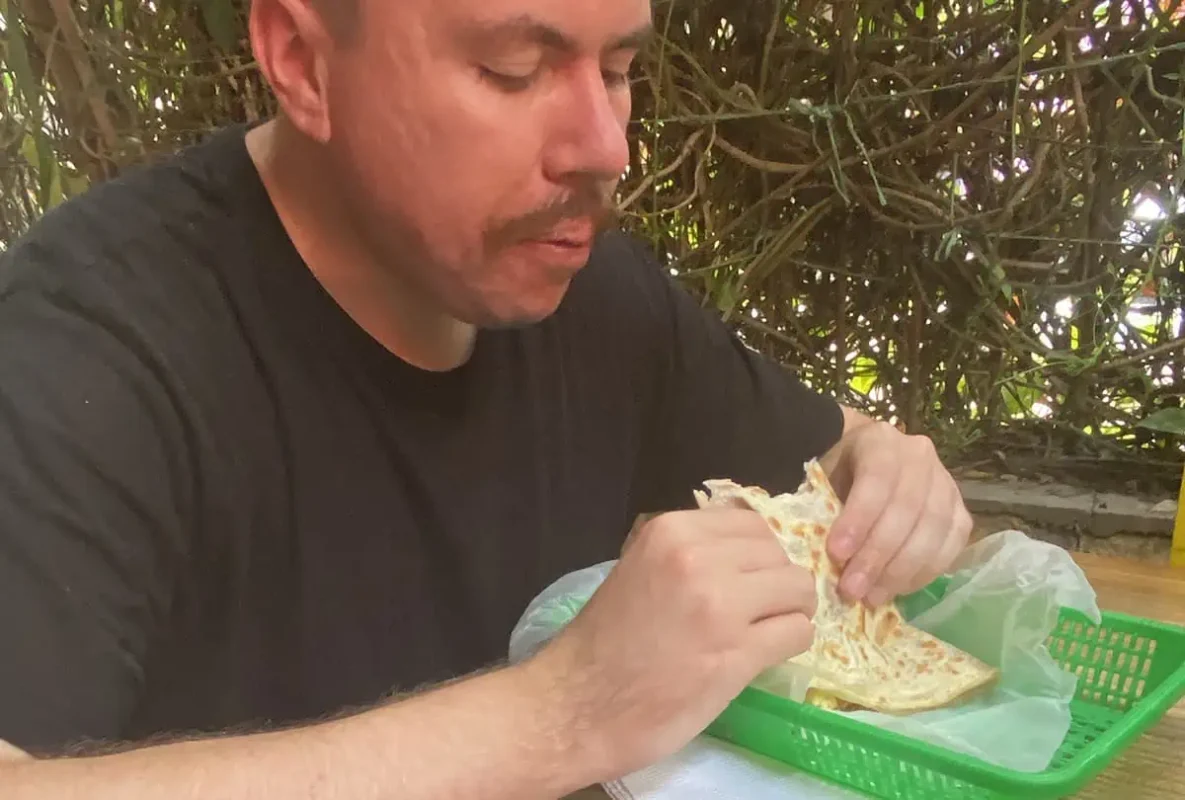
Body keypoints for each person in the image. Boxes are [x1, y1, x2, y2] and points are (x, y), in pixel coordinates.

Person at [0, 0, 972, 796]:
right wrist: (563, 712)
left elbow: (831, 455)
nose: (605, 148)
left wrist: (884, 463)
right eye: (514, 68)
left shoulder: (599, 299)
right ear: (300, 60)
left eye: (621, 72)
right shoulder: (85, 354)